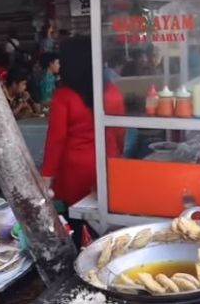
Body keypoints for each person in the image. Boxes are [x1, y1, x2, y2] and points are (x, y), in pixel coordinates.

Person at [41, 37, 125, 244]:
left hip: (76, 170)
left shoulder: (64, 96)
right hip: (107, 162)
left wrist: (46, 176)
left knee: (79, 222)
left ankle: (84, 257)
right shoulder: (110, 90)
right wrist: (116, 158)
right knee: (107, 218)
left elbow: (56, 140)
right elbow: (120, 129)